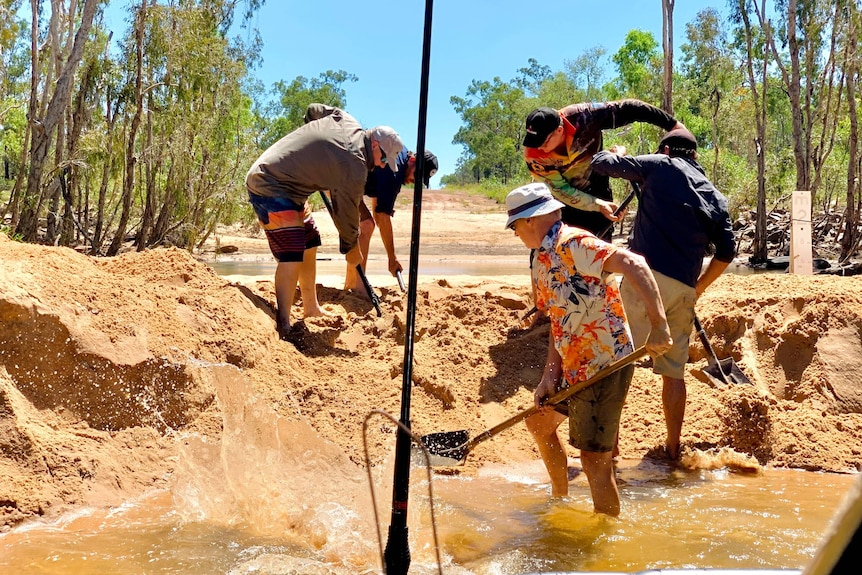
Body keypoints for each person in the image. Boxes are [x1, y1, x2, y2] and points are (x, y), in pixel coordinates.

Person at [505, 182, 673, 516]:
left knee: (595, 460)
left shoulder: (574, 243)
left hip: (605, 364)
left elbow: (634, 263)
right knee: (539, 425)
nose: (514, 234)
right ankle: (559, 504)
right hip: (573, 368)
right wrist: (548, 377)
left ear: (529, 220)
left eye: (514, 226)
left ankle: (604, 541)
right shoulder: (540, 261)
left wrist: (659, 324)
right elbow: (558, 321)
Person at [590, 127, 737, 460]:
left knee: (618, 364)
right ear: (696, 156)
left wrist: (617, 152)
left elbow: (601, 163)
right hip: (684, 287)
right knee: (673, 372)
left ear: (666, 150)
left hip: (644, 280)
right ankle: (672, 448)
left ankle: (610, 450)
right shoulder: (713, 194)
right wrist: (697, 289)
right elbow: (726, 252)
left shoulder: (661, 164)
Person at [245, 105, 404, 343]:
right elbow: (347, 214)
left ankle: (310, 307)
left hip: (293, 188)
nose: (382, 164)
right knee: (292, 252)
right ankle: (284, 324)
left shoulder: (348, 120)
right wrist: (352, 249)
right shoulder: (355, 166)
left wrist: (316, 147)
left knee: (310, 239)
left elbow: (313, 110)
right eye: (383, 158)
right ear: (374, 145)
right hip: (270, 182)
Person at [522, 99, 683, 239]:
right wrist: (598, 205)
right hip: (563, 204)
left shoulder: (584, 117)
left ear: (559, 130)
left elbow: (630, 108)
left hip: (598, 188)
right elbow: (561, 190)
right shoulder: (533, 155)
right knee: (559, 259)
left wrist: (674, 125)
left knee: (601, 257)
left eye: (543, 142)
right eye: (534, 142)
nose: (539, 148)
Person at [343, 147, 438, 293]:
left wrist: (391, 258)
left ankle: (351, 284)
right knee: (367, 225)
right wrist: (392, 259)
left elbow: (379, 213)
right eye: (416, 175)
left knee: (367, 223)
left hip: (347, 179)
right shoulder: (395, 171)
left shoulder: (398, 155)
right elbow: (383, 217)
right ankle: (357, 287)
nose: (413, 181)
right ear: (412, 160)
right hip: (338, 176)